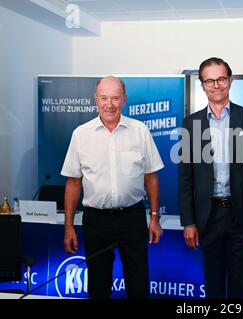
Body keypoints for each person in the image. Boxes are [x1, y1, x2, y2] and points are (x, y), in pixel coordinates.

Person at [61, 76, 164, 299]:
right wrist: (68, 226)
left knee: (138, 287)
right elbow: (73, 182)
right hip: (96, 221)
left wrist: (154, 217)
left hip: (133, 219)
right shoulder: (81, 134)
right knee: (98, 287)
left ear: (124, 100)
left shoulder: (140, 131)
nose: (110, 104)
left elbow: (151, 177)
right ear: (95, 100)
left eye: (115, 98)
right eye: (104, 98)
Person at [179, 57, 243, 299]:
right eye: (209, 80)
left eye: (221, 79)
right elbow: (185, 178)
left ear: (230, 81)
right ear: (202, 84)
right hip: (208, 217)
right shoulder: (191, 123)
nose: (216, 85)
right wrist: (188, 221)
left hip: (242, 214)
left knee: (242, 286)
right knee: (214, 284)